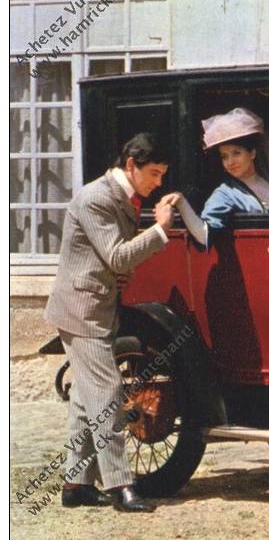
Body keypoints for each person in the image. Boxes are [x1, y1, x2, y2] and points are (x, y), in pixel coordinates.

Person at [44, 133, 175, 513]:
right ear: (131, 164)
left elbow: (111, 257)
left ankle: (76, 485)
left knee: (87, 400)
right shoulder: (96, 197)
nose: (158, 183)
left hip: (94, 307)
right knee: (108, 395)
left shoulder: (121, 197)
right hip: (80, 311)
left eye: (162, 175)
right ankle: (121, 487)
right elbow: (118, 257)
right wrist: (161, 229)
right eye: (154, 173)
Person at [160, 107, 269, 247]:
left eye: (236, 153)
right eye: (224, 156)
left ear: (252, 153)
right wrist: (181, 203)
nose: (230, 162)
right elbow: (205, 236)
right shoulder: (225, 193)